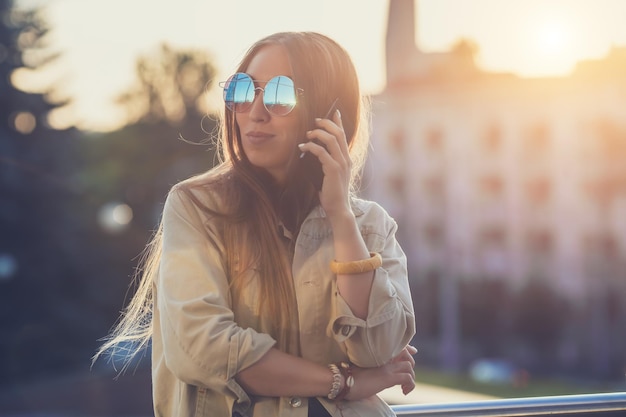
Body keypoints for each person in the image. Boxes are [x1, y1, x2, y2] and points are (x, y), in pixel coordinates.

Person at [94, 31, 417, 417]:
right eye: (243, 90)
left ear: (331, 114)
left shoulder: (369, 226)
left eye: (281, 94)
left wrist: (341, 218)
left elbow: (380, 347)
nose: (255, 111)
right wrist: (346, 383)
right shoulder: (196, 207)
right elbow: (204, 349)